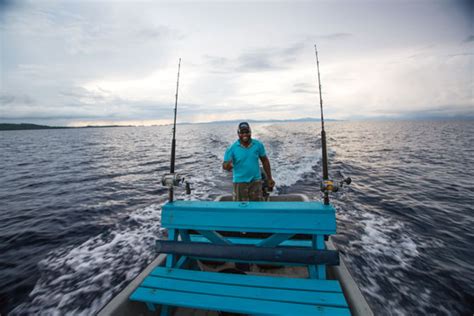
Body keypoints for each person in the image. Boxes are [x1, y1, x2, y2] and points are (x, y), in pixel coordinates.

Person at [223, 122, 275, 201]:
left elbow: (265, 161)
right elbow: (225, 165)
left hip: (256, 181)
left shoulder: (258, 145)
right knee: (240, 208)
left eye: (247, 132)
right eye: (242, 132)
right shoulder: (231, 148)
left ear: (250, 132)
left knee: (257, 207)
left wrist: (269, 178)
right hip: (239, 183)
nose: (245, 134)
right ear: (238, 133)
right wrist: (228, 165)